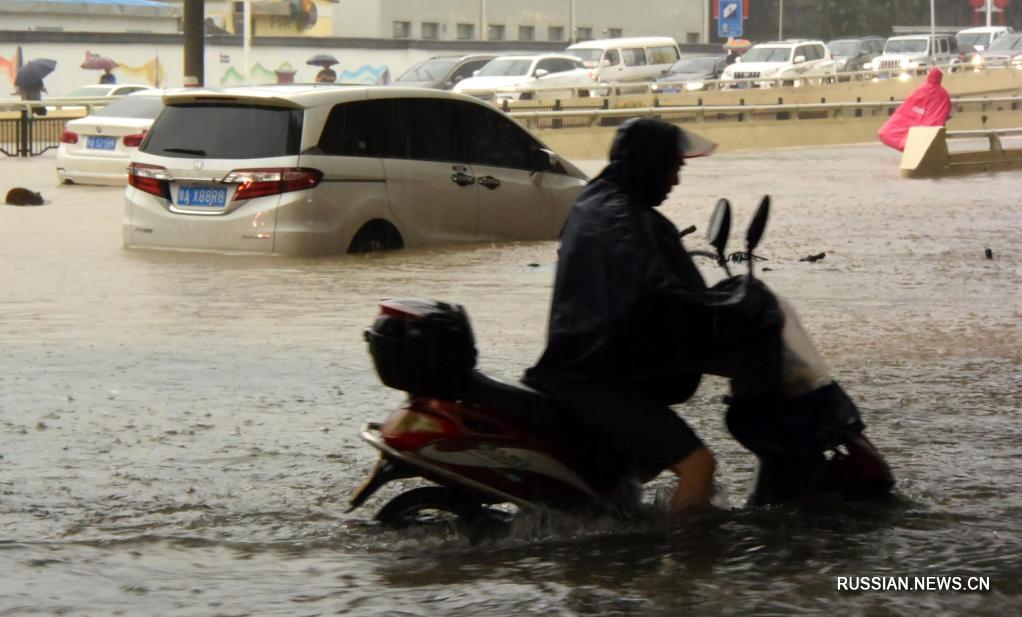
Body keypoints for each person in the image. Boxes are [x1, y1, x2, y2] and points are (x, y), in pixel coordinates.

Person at [523, 118, 783, 516]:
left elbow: (655, 289)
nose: (676, 180)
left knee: (632, 475)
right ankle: (682, 568)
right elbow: (660, 293)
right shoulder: (623, 221)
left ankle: (628, 548)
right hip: (596, 381)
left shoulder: (600, 201)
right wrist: (730, 314)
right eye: (673, 168)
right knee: (698, 465)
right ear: (651, 164)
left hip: (587, 367)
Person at [877, 67, 952, 152]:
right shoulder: (943, 94)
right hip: (926, 123)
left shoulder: (921, 90)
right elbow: (943, 110)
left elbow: (908, 106)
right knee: (910, 140)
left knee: (889, 133)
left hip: (916, 121)